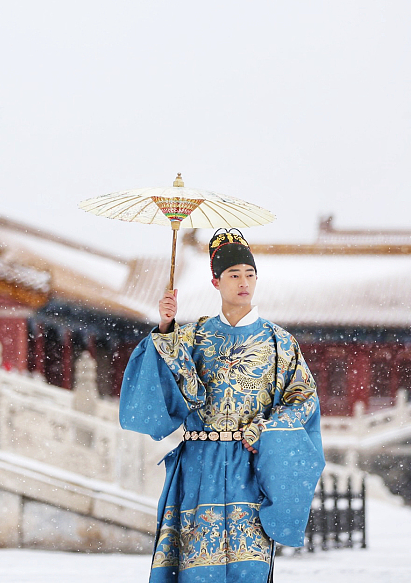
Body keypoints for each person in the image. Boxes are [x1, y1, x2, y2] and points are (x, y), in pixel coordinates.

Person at [119, 229, 324, 582]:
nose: (243, 282)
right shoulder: (192, 335)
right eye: (233, 275)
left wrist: (267, 431)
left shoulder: (280, 343)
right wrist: (166, 327)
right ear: (215, 281)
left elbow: (303, 399)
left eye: (250, 274)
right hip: (200, 465)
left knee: (249, 568)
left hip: (250, 465)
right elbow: (178, 391)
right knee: (198, 568)